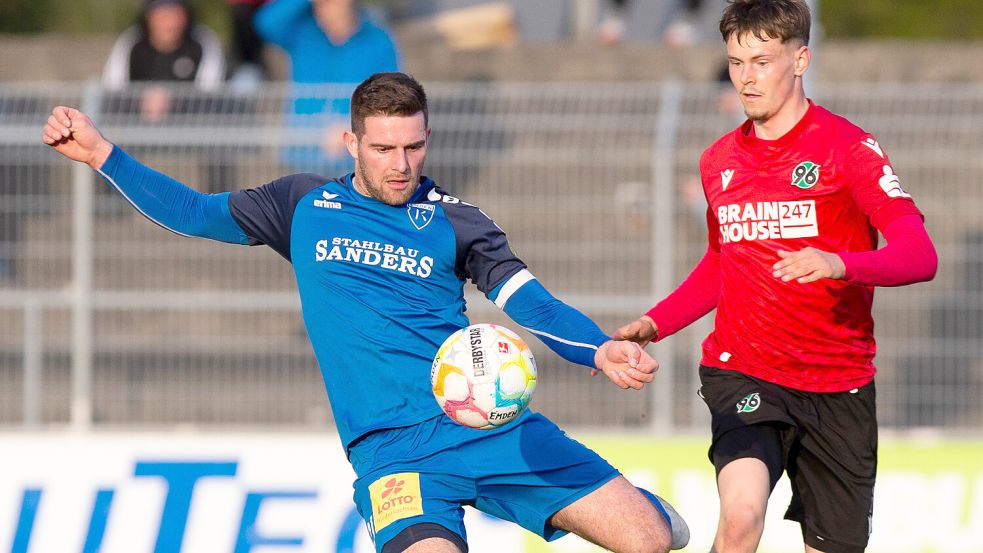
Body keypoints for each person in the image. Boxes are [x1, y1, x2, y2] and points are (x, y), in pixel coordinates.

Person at [43, 72, 689, 552]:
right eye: (383, 148)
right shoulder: (300, 204)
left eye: (412, 147)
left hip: (490, 425)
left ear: (427, 137)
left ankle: (640, 507)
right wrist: (103, 154)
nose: (400, 164)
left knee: (650, 539)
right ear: (351, 140)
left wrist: (597, 348)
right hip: (393, 453)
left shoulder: (457, 221)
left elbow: (530, 302)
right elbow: (190, 211)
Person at [614, 1, 938, 552]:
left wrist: (841, 263)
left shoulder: (848, 149)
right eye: (737, 62)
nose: (746, 76)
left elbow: (920, 254)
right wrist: (655, 322)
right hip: (745, 372)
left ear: (801, 58)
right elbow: (722, 262)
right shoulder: (718, 161)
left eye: (762, 61)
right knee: (741, 515)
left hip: (839, 384)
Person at [255, 0, 399, 175]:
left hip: (353, 161)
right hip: (303, 155)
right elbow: (265, 22)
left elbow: (390, 97)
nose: (325, 11)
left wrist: (351, 128)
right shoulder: (304, 34)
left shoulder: (378, 40)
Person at [102, 0, 225, 123]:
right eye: (162, 16)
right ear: (148, 17)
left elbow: (211, 94)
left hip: (190, 128)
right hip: (135, 128)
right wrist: (141, 102)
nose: (169, 24)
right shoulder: (131, 42)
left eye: (175, 15)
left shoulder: (203, 43)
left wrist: (172, 103)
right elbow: (112, 89)